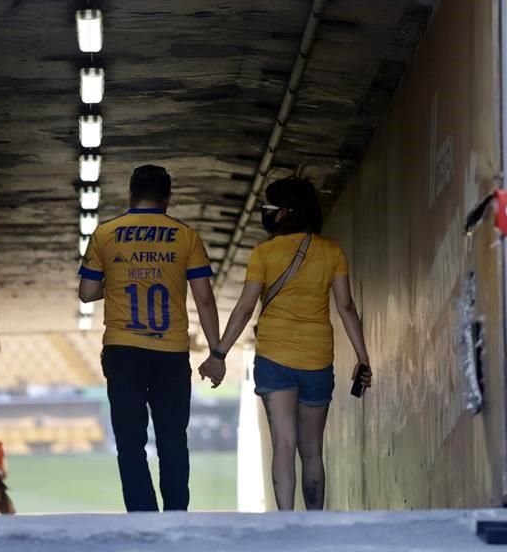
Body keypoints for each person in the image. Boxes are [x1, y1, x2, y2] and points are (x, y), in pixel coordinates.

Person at [200, 175, 372, 511]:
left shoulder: (264, 253)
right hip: (317, 359)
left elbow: (246, 306)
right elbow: (347, 307)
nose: (266, 212)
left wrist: (220, 352)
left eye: (270, 207)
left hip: (274, 358)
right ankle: (315, 523)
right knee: (311, 449)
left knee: (283, 443)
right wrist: (362, 358)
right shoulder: (332, 251)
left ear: (286, 212)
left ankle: (285, 523)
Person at [78, 164, 221, 512]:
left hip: (123, 351)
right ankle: (176, 515)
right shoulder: (186, 236)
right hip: (170, 352)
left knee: (130, 442)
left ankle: (142, 517)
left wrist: (117, 285)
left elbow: (86, 292)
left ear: (130, 194)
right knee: (173, 440)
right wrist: (216, 354)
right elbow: (204, 298)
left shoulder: (105, 234)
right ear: (168, 198)